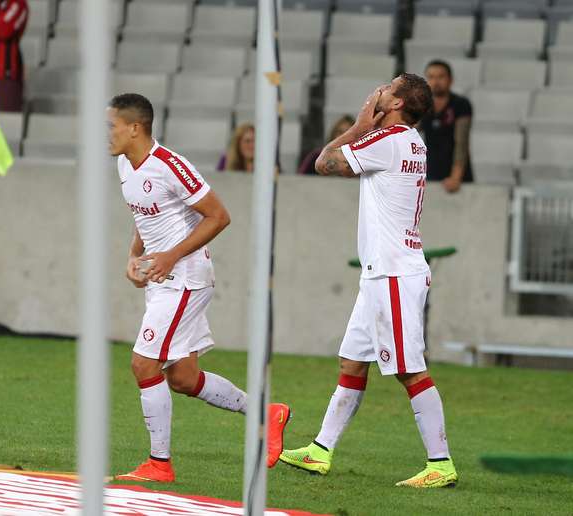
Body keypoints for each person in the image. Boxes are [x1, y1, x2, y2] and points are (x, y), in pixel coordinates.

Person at [277, 74, 458, 488]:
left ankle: (440, 463)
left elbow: (323, 163)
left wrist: (359, 125)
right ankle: (320, 450)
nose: (378, 89)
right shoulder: (412, 141)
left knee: (409, 370)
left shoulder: (387, 140)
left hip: (393, 272)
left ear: (394, 104)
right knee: (352, 362)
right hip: (383, 271)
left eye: (387, 87)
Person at [108, 93, 290, 482]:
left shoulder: (170, 166)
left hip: (186, 278)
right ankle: (266, 412)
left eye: (112, 126)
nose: (106, 134)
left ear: (135, 127)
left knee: (143, 363)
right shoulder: (124, 165)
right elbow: (145, 218)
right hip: (162, 280)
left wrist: (171, 256)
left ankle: (159, 465)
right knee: (184, 378)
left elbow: (219, 216)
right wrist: (132, 257)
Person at [419, 60, 473, 192]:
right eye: (431, 77)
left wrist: (456, 177)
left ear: (450, 80)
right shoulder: (422, 106)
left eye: (440, 77)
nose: (436, 82)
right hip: (430, 171)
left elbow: (461, 143)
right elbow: (408, 131)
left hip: (458, 175)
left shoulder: (461, 104)